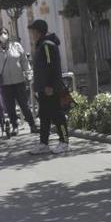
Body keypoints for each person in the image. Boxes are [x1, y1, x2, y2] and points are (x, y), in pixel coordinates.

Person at [28, 19, 69, 155]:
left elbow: (51, 67)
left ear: (38, 32)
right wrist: (37, 83)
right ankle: (43, 143)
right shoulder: (41, 45)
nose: (32, 34)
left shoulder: (47, 45)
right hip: (43, 88)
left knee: (57, 115)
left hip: (51, 88)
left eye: (33, 31)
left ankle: (64, 141)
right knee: (44, 116)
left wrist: (49, 85)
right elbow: (41, 68)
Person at [0, 27, 35, 136]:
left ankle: (32, 125)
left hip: (19, 81)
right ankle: (15, 127)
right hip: (5, 83)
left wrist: (28, 74)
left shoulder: (16, 46)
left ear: (8, 34)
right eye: (1, 33)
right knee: (10, 107)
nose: (3, 35)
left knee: (24, 105)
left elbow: (24, 62)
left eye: (5, 33)